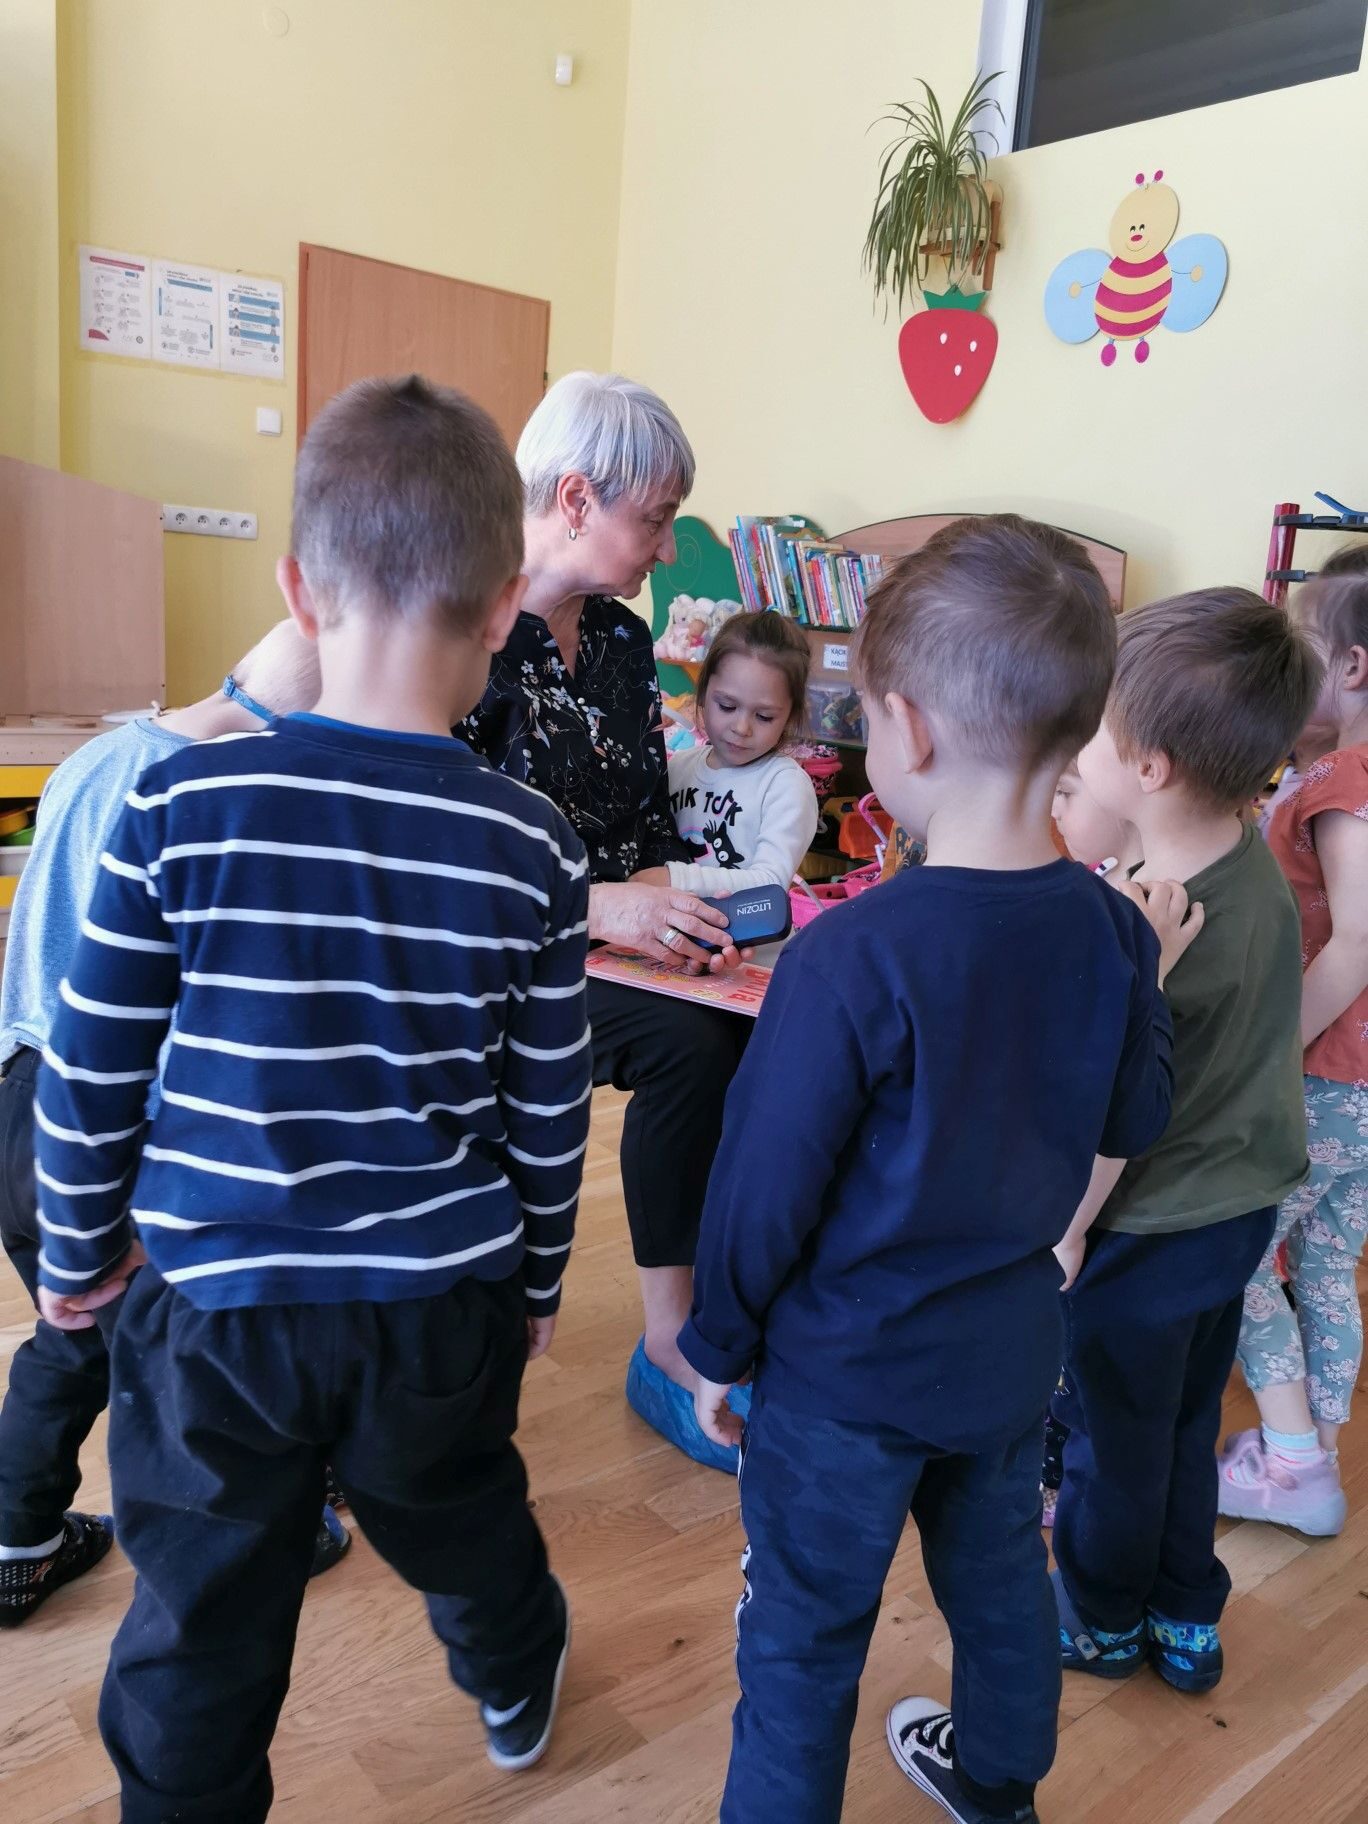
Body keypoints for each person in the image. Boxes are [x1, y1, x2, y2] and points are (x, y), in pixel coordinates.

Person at [32, 375, 591, 1821]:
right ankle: (516, 1660)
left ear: (296, 589)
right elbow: (548, 1109)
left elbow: (93, 1065)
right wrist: (539, 1278)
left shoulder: (177, 802)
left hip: (215, 1309)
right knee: (457, 1509)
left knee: (201, 1611)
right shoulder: (535, 847)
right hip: (435, 1306)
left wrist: (77, 1250)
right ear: (505, 607)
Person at [681, 515, 1188, 1824]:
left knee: (801, 1638)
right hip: (1009, 1360)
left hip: (843, 1382)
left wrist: (719, 1344)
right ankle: (1002, 1789)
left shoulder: (849, 956)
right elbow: (1136, 1114)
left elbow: (761, 1188)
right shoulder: (1116, 935)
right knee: (1003, 1587)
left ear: (901, 731)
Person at [0, 624, 353, 1628]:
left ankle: (15, 1541)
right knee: (188, 1364)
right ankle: (253, 1541)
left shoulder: (98, 757)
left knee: (75, 1332)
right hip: (114, 1129)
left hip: (18, 1105)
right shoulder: (212, 806)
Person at [460, 370, 754, 1472]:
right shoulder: (463, 630)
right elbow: (438, 863)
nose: (669, 548)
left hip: (606, 947)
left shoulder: (626, 647)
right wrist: (599, 908)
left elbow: (642, 823)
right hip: (489, 959)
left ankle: (699, 1332)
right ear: (577, 499)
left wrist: (679, 915)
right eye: (659, 518)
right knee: (692, 1045)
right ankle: (665, 1345)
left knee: (744, 1025)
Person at [1052, 587, 1321, 1697]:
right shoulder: (1250, 861)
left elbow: (1112, 1115)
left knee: (1112, 1440)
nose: (1075, 748)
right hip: (1237, 1214)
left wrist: (1066, 1232)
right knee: (1181, 1425)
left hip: (1147, 1224)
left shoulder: (1144, 926)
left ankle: (1105, 1621)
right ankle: (1186, 1616)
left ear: (1150, 767)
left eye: (1092, 734)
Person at [1219, 547, 1368, 1535]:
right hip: (1357, 1090)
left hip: (1319, 1077)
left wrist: (1269, 1053)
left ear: (1350, 665)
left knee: (1233, 1257)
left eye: (1302, 649)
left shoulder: (1345, 778)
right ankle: (1312, 1447)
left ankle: (1297, 1467)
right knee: (1324, 1263)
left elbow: (1357, 939)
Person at [647, 610, 817, 894]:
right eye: (727, 706)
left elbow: (771, 883)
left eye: (764, 716)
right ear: (703, 693)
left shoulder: (785, 785)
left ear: (790, 716)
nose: (741, 728)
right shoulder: (678, 769)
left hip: (743, 926)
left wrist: (676, 879)